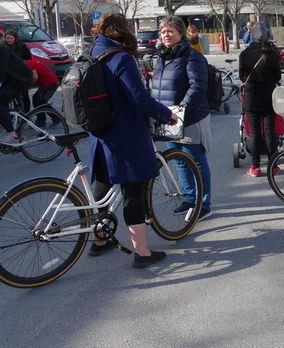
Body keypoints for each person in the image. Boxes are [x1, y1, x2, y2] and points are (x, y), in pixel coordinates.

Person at [87, 14, 177, 268]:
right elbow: (139, 98)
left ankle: (99, 239)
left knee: (101, 187)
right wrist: (166, 114)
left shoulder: (92, 51)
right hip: (124, 136)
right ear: (125, 31)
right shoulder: (120, 58)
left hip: (99, 134)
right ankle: (142, 253)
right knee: (133, 193)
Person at [150, 15, 213, 221]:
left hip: (189, 118)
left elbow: (197, 87)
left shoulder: (192, 56)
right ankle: (189, 199)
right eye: (163, 32)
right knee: (178, 161)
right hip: (167, 117)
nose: (166, 35)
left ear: (181, 33)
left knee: (196, 160)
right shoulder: (162, 57)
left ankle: (204, 204)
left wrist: (180, 110)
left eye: (170, 31)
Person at [238, 22, 281, 177]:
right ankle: (273, 165)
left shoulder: (244, 54)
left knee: (254, 132)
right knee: (271, 132)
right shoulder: (272, 53)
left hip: (251, 97)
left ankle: (255, 166)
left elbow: (242, 76)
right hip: (269, 96)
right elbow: (278, 76)